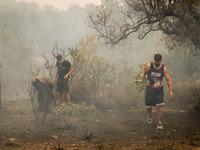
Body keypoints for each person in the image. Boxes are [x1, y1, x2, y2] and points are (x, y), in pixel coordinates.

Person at [140, 54, 173, 130]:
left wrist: (171, 91)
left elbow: (168, 80)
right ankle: (150, 115)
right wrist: (142, 75)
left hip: (159, 90)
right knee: (148, 106)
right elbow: (144, 73)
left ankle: (159, 123)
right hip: (150, 89)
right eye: (156, 62)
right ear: (154, 60)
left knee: (159, 106)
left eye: (159, 62)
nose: (157, 63)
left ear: (161, 61)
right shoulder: (149, 66)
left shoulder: (164, 69)